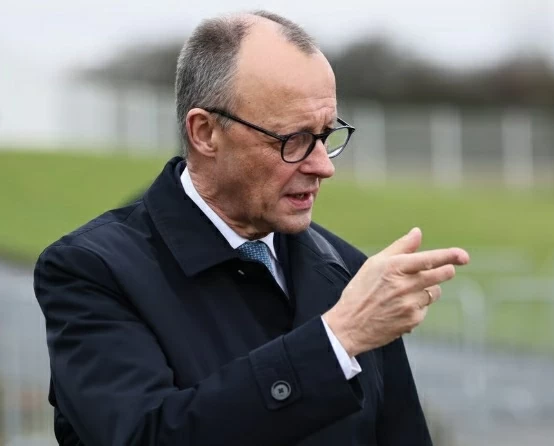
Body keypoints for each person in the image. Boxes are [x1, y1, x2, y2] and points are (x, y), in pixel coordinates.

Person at [33, 10, 470, 446]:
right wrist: (335, 340)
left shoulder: (350, 274)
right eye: (293, 140)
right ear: (205, 133)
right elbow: (142, 437)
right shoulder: (92, 271)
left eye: (326, 135)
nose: (322, 166)